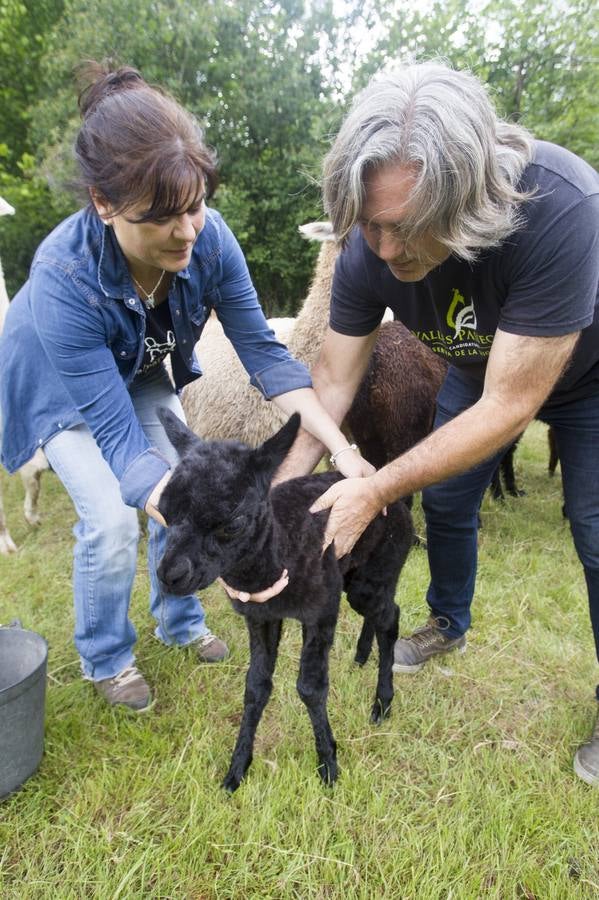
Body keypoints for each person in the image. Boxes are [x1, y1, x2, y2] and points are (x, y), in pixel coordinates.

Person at [0, 62, 371, 713]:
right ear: (103, 203)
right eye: (162, 218)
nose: (188, 232)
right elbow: (115, 437)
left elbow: (264, 353)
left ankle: (178, 622)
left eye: (196, 205)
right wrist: (225, 518)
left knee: (188, 484)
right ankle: (108, 658)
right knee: (115, 519)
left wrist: (340, 451)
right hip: (64, 390)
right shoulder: (63, 277)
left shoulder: (211, 239)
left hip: (142, 369)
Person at [275, 61, 599, 786]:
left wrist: (373, 488)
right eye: (369, 228)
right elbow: (330, 380)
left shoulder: (560, 205)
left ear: (469, 194)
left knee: (595, 529)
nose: (385, 253)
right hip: (478, 368)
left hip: (585, 377)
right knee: (448, 501)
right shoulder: (369, 247)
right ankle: (447, 622)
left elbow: (511, 408)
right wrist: (277, 495)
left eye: (405, 228)